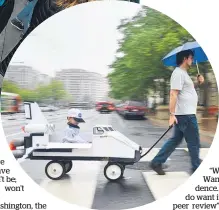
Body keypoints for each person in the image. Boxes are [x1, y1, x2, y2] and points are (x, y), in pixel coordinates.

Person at [149, 49, 205, 175]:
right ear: (185, 58)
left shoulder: (184, 74)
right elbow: (173, 94)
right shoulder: (178, 73)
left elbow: (186, 91)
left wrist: (198, 82)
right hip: (186, 115)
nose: (192, 60)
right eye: (191, 57)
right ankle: (196, 167)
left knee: (175, 140)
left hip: (184, 114)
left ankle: (157, 162)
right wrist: (171, 114)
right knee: (194, 142)